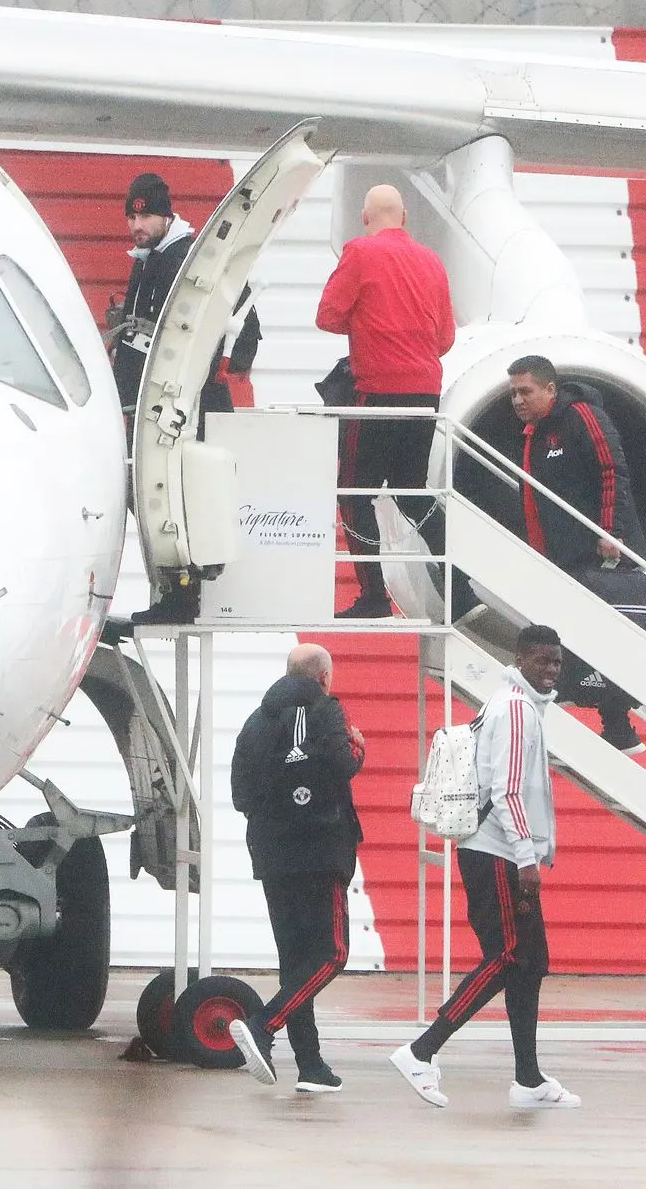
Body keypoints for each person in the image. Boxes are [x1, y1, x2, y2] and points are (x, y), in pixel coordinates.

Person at [389, 624, 581, 1110]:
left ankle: (529, 1080)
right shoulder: (516, 709)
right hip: (498, 851)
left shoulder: (512, 703)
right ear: (520, 659)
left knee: (530, 961)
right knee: (510, 954)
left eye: (557, 662)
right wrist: (526, 858)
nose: (551, 670)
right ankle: (420, 1050)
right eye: (542, 660)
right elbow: (507, 790)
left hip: (494, 849)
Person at [114, 171, 260, 625]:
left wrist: (218, 369)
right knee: (155, 494)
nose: (137, 226)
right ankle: (172, 594)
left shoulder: (185, 259)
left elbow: (241, 313)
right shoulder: (151, 258)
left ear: (165, 214)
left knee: (174, 495)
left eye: (146, 216)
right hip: (154, 404)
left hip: (184, 405)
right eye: (132, 218)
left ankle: (183, 596)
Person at [227, 642, 364, 1093]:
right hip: (321, 853)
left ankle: (311, 1066)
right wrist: (357, 749)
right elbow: (343, 764)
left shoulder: (254, 723)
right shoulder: (327, 710)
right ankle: (263, 1027)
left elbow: (240, 796)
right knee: (332, 954)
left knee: (296, 962)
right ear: (324, 676)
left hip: (271, 855)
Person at [316, 183, 456, 620]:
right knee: (411, 492)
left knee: (356, 493)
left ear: (365, 218)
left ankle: (374, 596)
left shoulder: (360, 252)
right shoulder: (432, 262)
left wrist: (368, 326)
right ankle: (460, 579)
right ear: (405, 219)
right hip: (424, 390)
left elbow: (328, 315)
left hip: (376, 392)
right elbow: (446, 338)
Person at [507, 353, 646, 753]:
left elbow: (611, 470)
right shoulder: (534, 432)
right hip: (560, 553)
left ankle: (617, 722)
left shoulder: (581, 416)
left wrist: (611, 530)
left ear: (550, 389)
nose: (517, 400)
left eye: (525, 391)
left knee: (601, 633)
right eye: (513, 393)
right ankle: (614, 723)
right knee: (571, 631)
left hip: (596, 551)